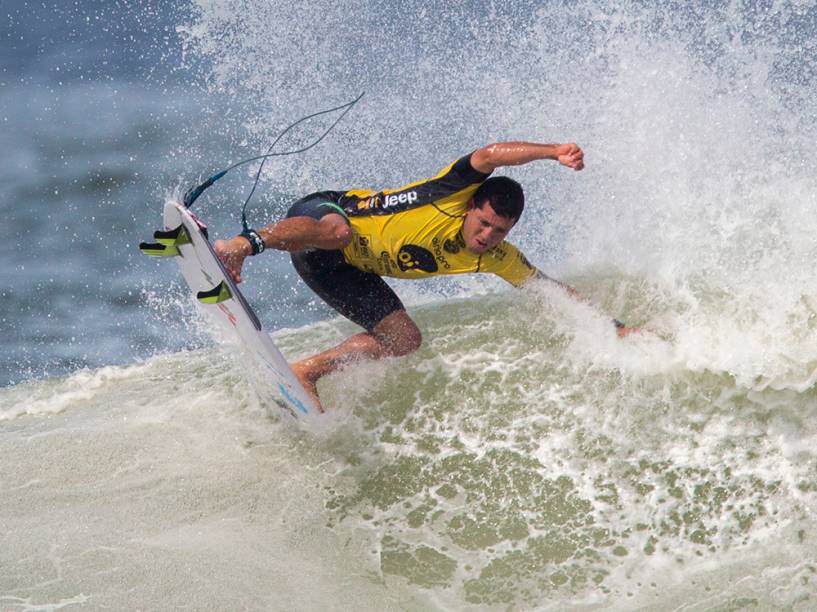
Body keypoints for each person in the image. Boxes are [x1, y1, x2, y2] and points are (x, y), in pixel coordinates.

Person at [215, 141, 635, 410]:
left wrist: (613, 328)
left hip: (337, 271)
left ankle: (306, 371)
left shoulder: (496, 258)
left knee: (405, 339)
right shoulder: (451, 194)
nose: (487, 236)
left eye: (499, 231)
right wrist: (553, 152)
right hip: (325, 218)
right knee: (339, 232)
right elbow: (488, 155)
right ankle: (242, 246)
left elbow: (548, 288)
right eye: (484, 223)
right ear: (471, 208)